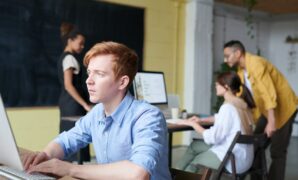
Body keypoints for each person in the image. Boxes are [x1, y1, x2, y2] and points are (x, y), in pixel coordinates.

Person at [23, 41, 171, 180]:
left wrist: (69, 169)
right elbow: (66, 141)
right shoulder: (97, 113)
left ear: (122, 82)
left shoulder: (148, 116)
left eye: (99, 74)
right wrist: (45, 155)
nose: (89, 80)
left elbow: (138, 173)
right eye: (89, 72)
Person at [223, 40, 298, 180]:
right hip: (267, 110)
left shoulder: (256, 64)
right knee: (254, 145)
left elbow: (268, 92)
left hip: (284, 108)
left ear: (238, 53)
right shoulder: (241, 72)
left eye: (227, 55)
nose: (225, 59)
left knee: (277, 151)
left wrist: (271, 121)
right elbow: (242, 98)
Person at [176, 71, 255, 174]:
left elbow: (213, 137)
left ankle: (178, 176)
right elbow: (223, 119)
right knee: (194, 146)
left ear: (226, 87)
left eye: (217, 84)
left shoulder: (228, 108)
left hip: (232, 159)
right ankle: (176, 174)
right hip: (243, 157)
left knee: (195, 163)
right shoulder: (241, 105)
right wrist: (202, 120)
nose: (215, 86)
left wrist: (193, 124)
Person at [58, 22, 92, 162]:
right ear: (70, 40)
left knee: (72, 146)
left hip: (69, 105)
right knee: (73, 146)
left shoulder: (67, 57)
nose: (82, 47)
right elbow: (68, 85)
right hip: (73, 106)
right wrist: (85, 104)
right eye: (80, 43)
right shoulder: (69, 58)